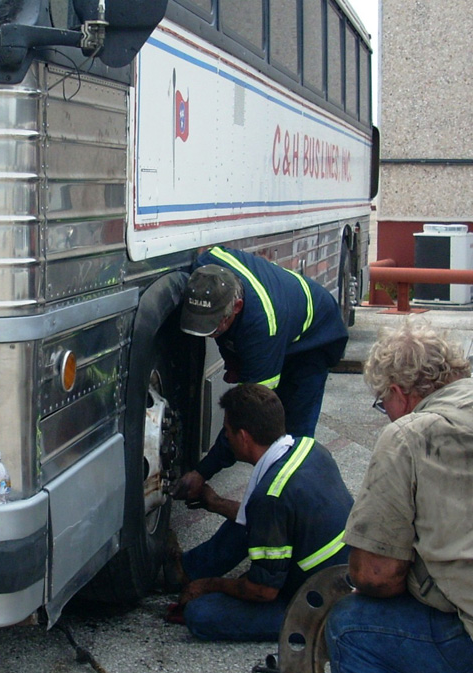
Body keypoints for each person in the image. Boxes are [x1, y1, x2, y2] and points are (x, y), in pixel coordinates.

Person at [325, 318, 473, 672]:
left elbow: (376, 574)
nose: (386, 415)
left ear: (398, 392)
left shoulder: (408, 436)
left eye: (383, 403)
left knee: (350, 624)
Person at [169, 383, 353, 641]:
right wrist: (215, 502)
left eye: (227, 432)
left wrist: (210, 585)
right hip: (342, 568)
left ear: (244, 437)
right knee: (245, 523)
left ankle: (318, 627)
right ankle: (184, 570)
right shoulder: (309, 448)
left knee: (201, 614)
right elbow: (262, 518)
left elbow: (263, 591)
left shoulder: (270, 497)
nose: (227, 438)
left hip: (324, 600)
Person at [173, 246, 349, 503]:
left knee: (290, 440)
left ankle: (293, 503)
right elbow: (228, 331)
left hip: (315, 340)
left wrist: (203, 471)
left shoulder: (263, 329)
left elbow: (250, 417)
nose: (210, 335)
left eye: (214, 327)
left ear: (237, 307)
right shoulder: (207, 268)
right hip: (283, 321)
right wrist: (233, 358)